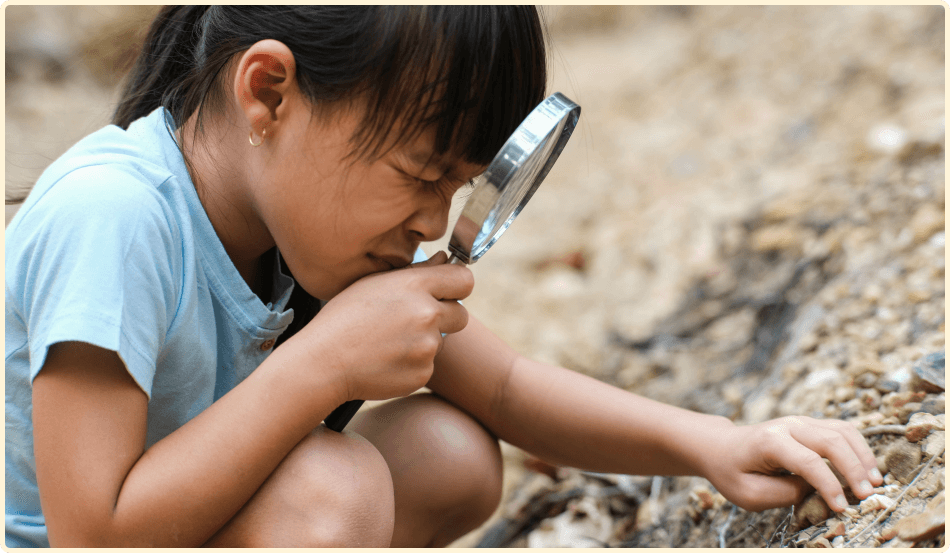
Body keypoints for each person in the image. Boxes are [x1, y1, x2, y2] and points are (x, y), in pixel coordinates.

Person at [5, 6, 883, 548]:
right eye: (422, 174)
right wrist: (320, 365)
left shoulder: (305, 227)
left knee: (448, 457)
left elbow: (501, 386)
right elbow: (95, 536)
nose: (433, 223)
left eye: (460, 187)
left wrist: (715, 443)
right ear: (269, 93)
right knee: (330, 488)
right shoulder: (111, 216)